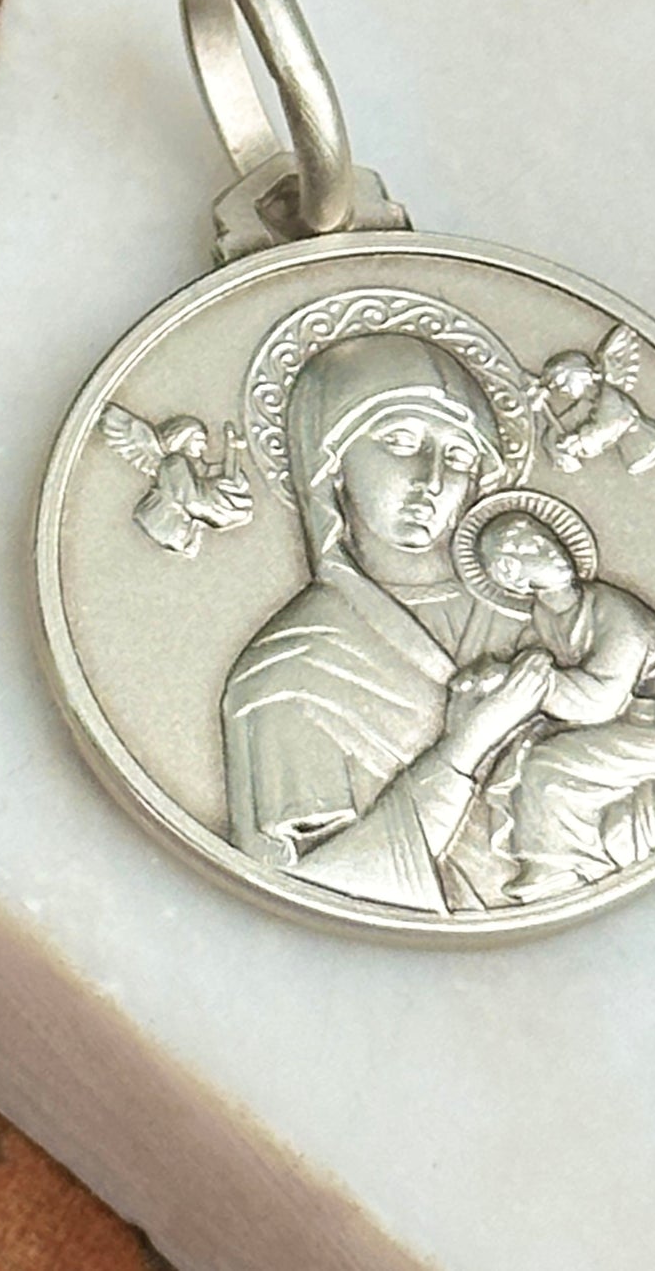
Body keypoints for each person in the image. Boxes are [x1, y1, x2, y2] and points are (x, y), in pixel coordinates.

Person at [221, 332, 551, 913]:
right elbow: (320, 894)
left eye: (460, 457)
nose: (432, 478)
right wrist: (465, 747)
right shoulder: (286, 676)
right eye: (400, 440)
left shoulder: (535, 616)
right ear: (329, 465)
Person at [460, 501, 655, 902]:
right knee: (522, 757)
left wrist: (527, 681)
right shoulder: (545, 618)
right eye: (531, 547)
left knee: (548, 769)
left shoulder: (613, 608)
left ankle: (564, 876)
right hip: (637, 719)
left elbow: (600, 701)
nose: (551, 548)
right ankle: (558, 872)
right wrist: (504, 678)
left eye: (546, 537)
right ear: (510, 574)